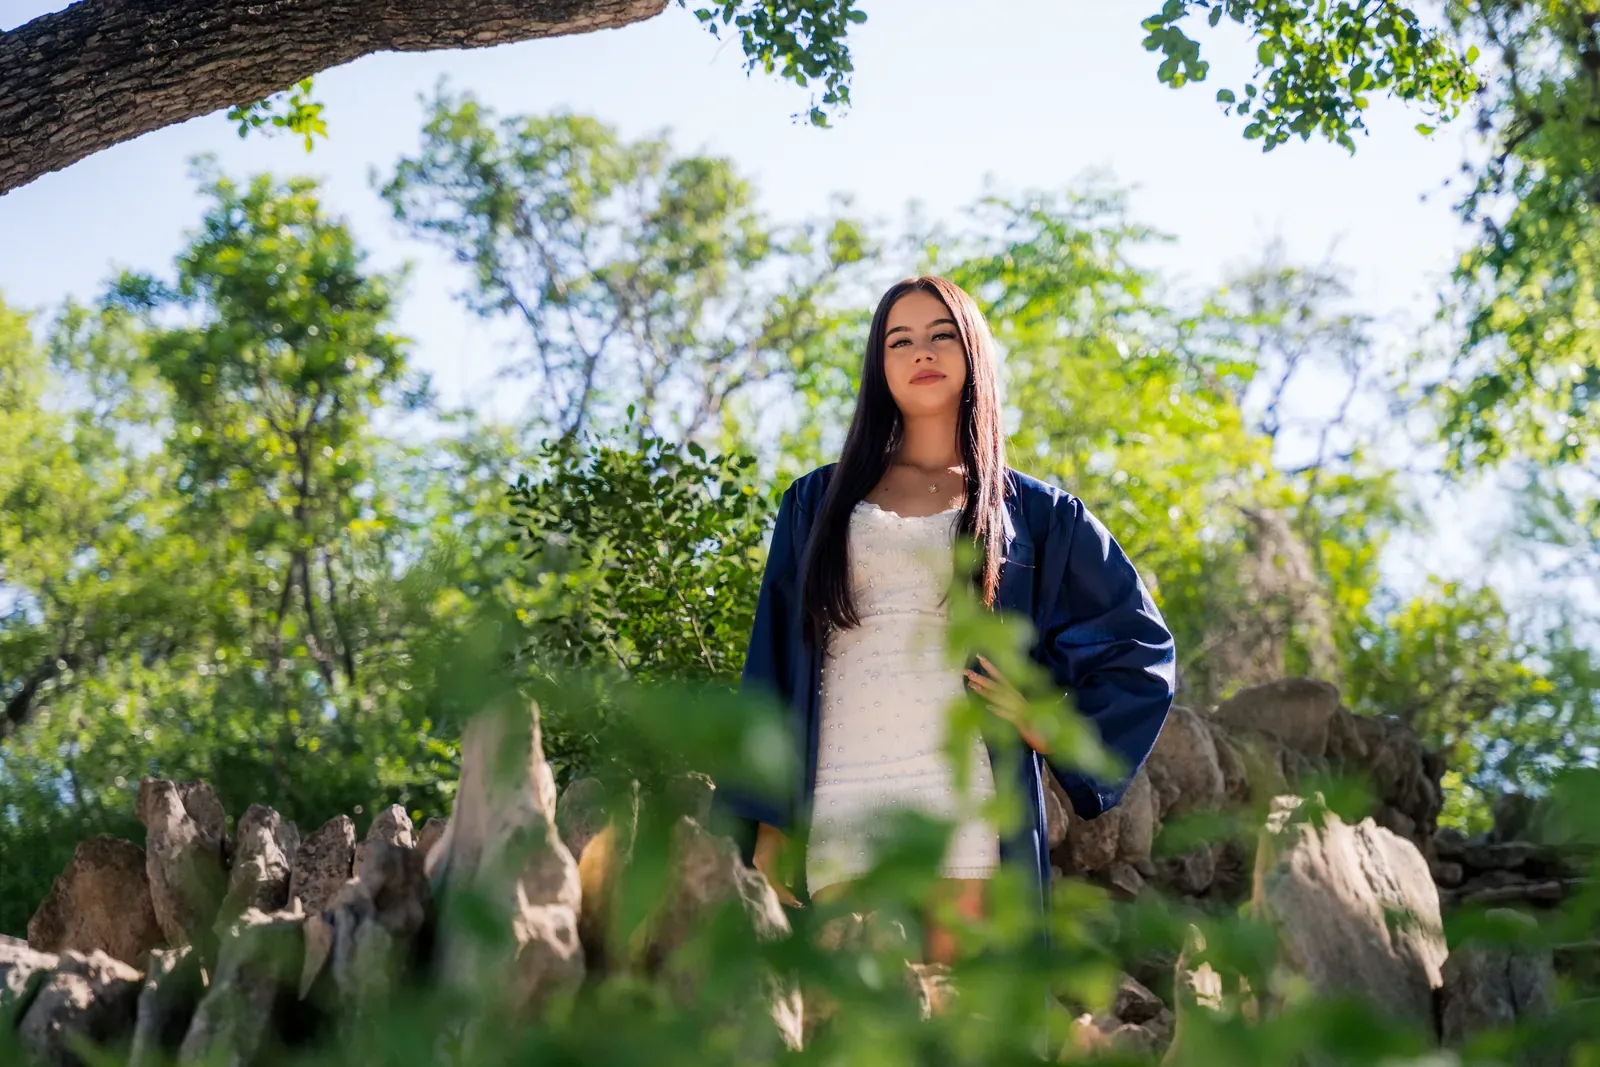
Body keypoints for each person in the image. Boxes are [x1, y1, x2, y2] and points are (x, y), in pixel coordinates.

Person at [717, 275, 1176, 965]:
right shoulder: (815, 503)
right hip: (844, 788)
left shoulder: (1036, 515)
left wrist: (1054, 726)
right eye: (900, 340)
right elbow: (772, 668)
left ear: (972, 353)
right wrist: (770, 822)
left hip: (964, 790)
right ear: (880, 365)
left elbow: (1140, 647)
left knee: (964, 1018)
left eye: (941, 335)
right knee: (855, 1017)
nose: (921, 351)